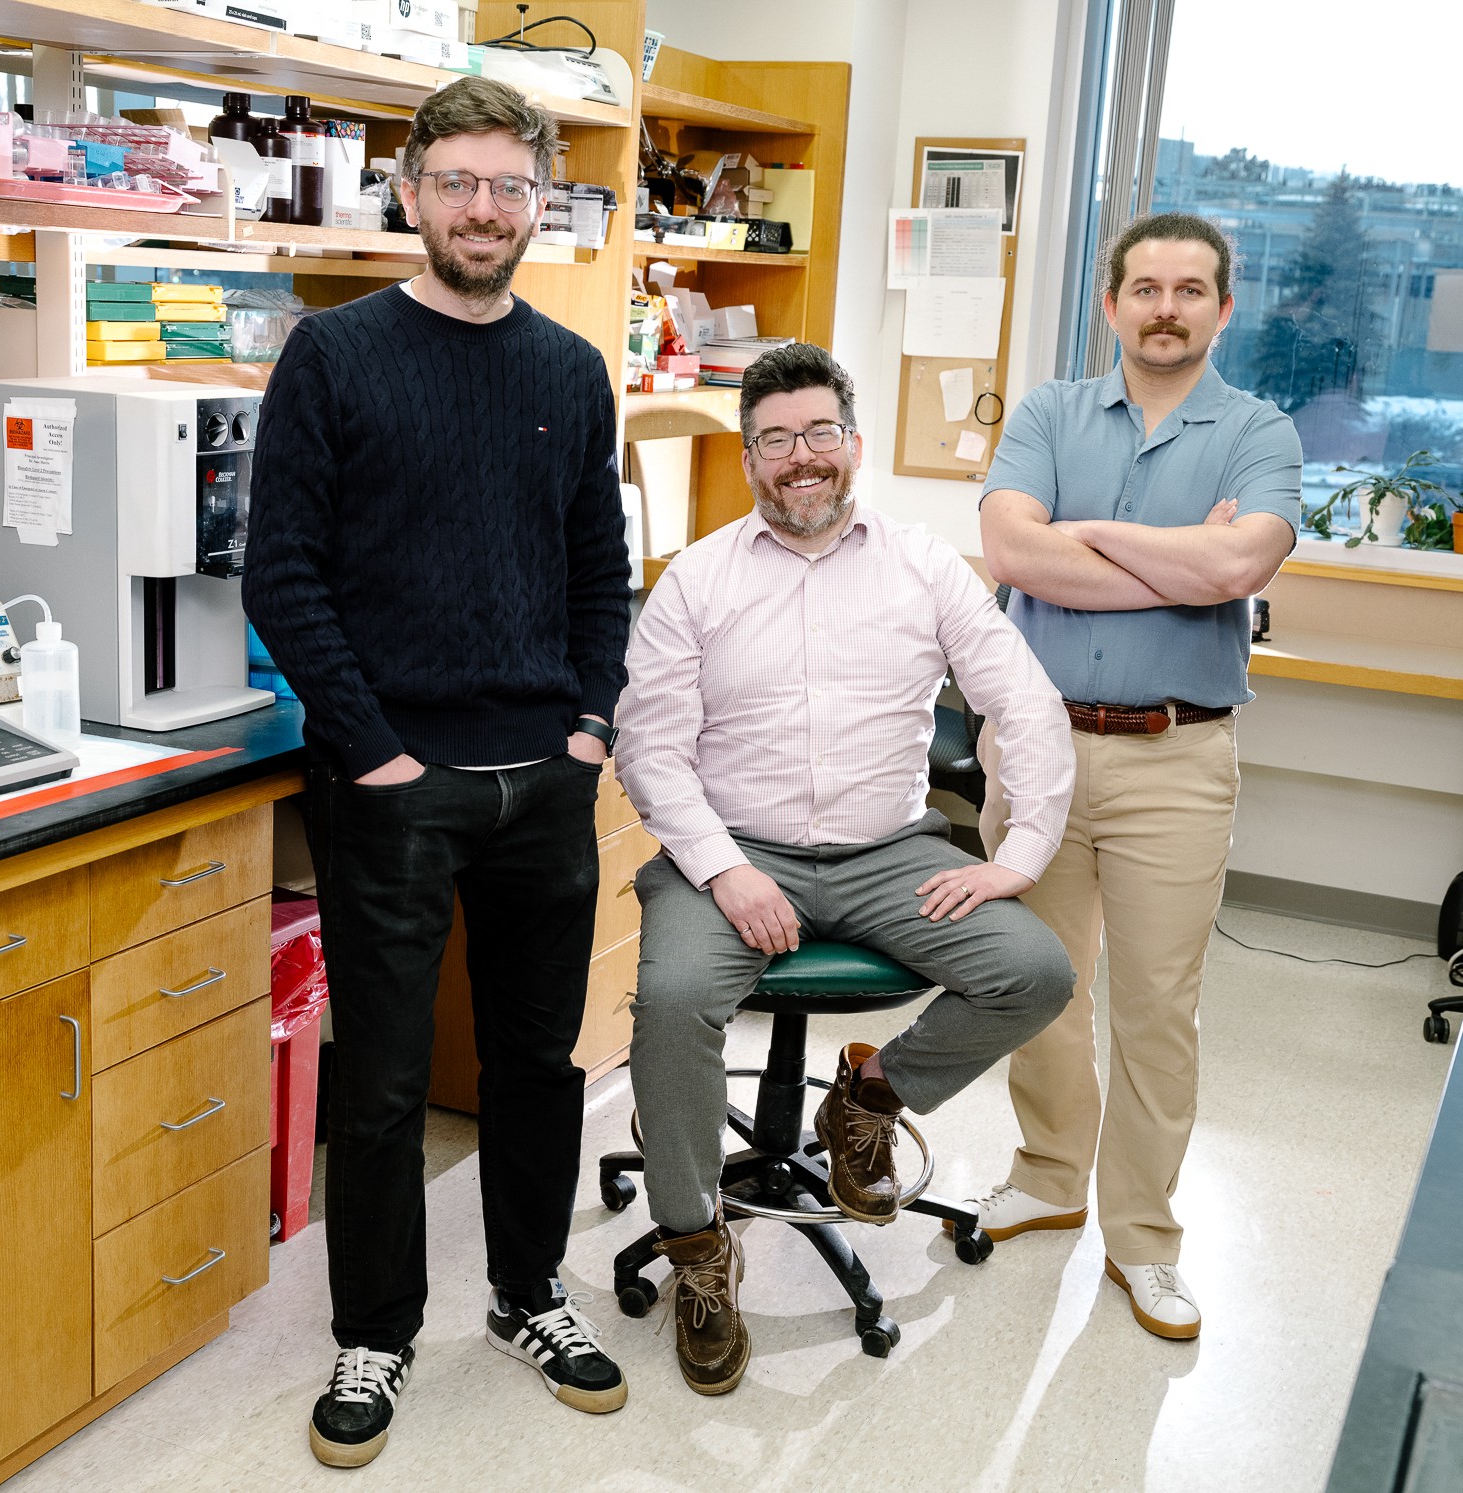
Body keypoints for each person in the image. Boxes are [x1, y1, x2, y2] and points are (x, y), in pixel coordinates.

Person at [242, 76, 633, 1468]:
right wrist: (379, 752)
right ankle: (376, 1333)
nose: (482, 210)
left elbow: (602, 568)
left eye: (508, 187)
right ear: (408, 195)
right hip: (394, 787)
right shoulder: (333, 359)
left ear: (540, 204)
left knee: (536, 1060)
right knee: (385, 1082)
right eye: (456, 183)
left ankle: (530, 1295)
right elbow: (282, 577)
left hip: (546, 776)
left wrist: (589, 725)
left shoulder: (568, 370)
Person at [614, 342, 1078, 1397]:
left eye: (820, 432)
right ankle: (697, 1253)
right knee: (674, 999)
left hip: (886, 851)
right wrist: (727, 871)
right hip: (731, 851)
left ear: (853, 445)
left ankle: (869, 1094)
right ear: (750, 461)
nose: (802, 457)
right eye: (776, 440)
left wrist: (1021, 854)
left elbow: (1026, 704)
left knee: (1036, 969)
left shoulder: (924, 566)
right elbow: (650, 747)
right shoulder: (700, 577)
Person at [976, 211, 1302, 1341]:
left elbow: (1242, 561)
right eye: (1147, 287)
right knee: (1037, 984)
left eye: (1191, 289)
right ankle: (1050, 1172)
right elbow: (1013, 553)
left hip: (1180, 751)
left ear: (1223, 305)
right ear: (1111, 302)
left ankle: (1145, 1239)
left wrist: (1092, 532)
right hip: (1039, 751)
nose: (1167, 307)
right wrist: (1180, 560)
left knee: (1158, 1010)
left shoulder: (1261, 430)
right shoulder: (1051, 412)